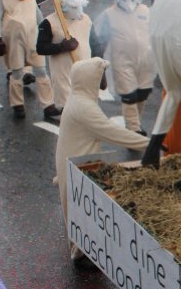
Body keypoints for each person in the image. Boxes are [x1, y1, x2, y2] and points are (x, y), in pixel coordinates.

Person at [55, 57, 148, 257]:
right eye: (101, 75)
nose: (104, 80)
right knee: (81, 219)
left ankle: (84, 252)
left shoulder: (77, 97)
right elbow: (114, 133)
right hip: (77, 169)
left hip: (73, 165)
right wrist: (152, 144)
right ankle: (82, 257)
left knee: (80, 215)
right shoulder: (85, 108)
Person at [0, 0, 56, 119]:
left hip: (34, 39)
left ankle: (48, 105)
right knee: (17, 72)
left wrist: (47, 32)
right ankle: (17, 104)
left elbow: (39, 17)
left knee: (41, 71)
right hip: (14, 41)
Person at [92, 0, 153, 133]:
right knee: (129, 94)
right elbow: (99, 40)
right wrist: (100, 65)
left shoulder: (145, 11)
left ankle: (135, 122)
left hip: (146, 61)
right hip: (122, 62)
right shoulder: (109, 15)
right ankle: (133, 128)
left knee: (142, 93)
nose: (129, 3)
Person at [36, 0, 90, 119]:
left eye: (80, 7)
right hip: (64, 75)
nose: (80, 12)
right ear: (64, 6)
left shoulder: (86, 19)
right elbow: (41, 48)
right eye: (74, 7)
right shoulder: (49, 23)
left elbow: (94, 43)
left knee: (85, 110)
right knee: (70, 114)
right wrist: (61, 47)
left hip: (84, 72)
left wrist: (101, 72)